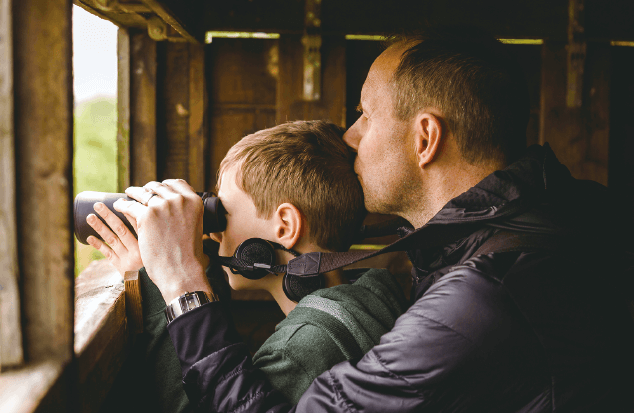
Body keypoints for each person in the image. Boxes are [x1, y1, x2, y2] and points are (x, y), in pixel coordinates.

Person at [116, 28, 634, 412]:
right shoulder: (563, 213)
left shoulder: (481, 299)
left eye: (366, 114)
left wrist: (183, 283)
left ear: (426, 139)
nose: (350, 136)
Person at [86, 120, 407, 410]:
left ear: (284, 226)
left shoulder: (304, 349)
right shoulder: (370, 298)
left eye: (222, 211)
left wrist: (167, 285)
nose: (212, 230)